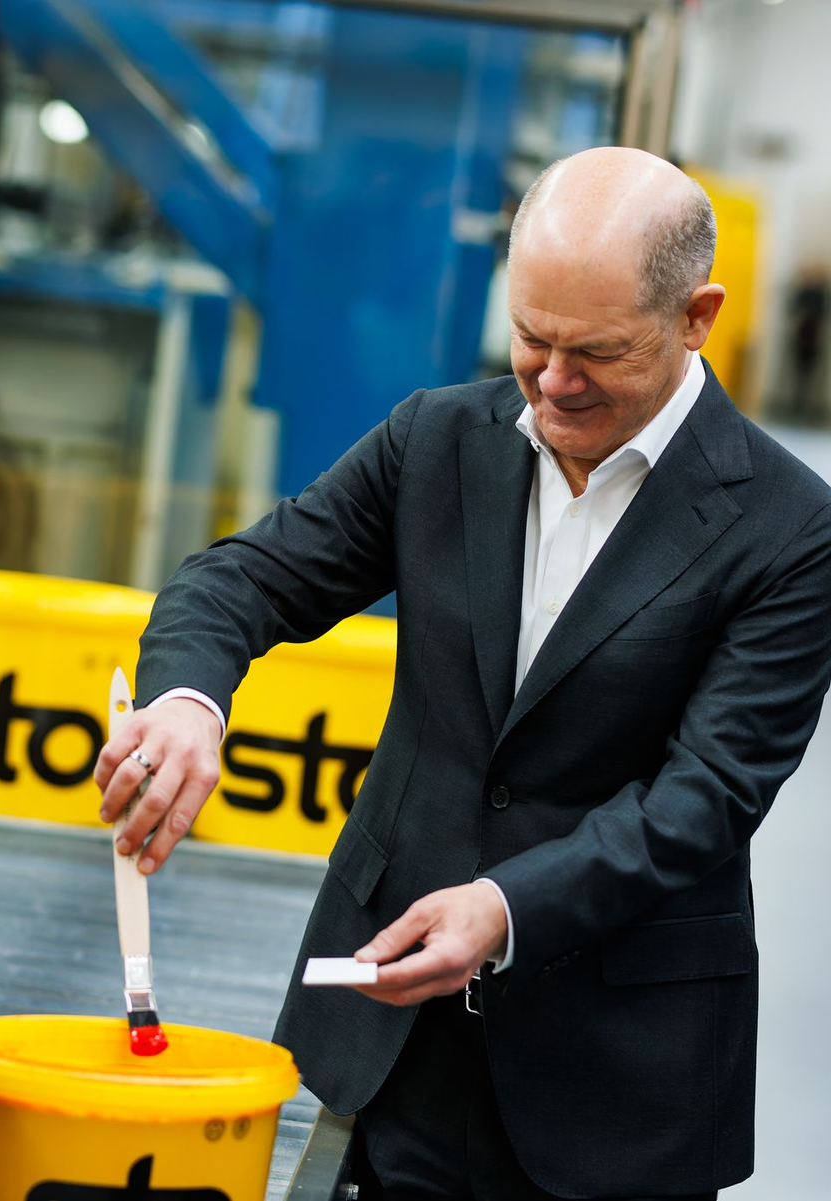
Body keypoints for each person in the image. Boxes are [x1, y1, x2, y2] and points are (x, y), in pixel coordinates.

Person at [96, 146, 831, 1200]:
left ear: (696, 316)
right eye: (532, 337)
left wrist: (502, 906)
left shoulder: (789, 527)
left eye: (598, 352)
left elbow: (704, 800)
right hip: (393, 1045)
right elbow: (244, 579)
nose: (554, 380)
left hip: (618, 1079)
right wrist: (186, 703)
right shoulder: (439, 440)